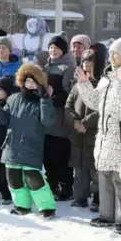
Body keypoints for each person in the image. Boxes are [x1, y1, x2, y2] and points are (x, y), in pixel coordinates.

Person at [73, 38, 121, 232]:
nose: (111, 56)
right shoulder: (107, 76)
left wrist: (119, 82)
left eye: (115, 53)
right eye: (110, 52)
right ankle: (106, 215)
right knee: (104, 177)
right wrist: (84, 84)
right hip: (105, 135)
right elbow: (95, 102)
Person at [0, 64, 57, 218]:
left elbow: (48, 121)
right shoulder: (13, 98)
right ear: (22, 81)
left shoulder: (42, 101)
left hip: (31, 145)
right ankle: (21, 205)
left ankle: (47, 207)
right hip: (12, 144)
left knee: (33, 178)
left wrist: (45, 99)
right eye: (28, 80)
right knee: (13, 178)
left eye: (34, 81)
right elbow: (4, 120)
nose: (30, 84)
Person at [68, 47, 104, 209]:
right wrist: (75, 121)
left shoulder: (102, 84)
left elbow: (102, 108)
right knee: (80, 167)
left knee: (95, 168)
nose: (86, 64)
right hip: (78, 133)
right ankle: (80, 196)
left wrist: (86, 123)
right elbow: (68, 105)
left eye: (90, 61)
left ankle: (98, 197)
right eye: (84, 61)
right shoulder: (77, 85)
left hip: (94, 132)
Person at [43, 35, 76, 201]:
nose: (53, 50)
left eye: (56, 48)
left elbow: (70, 92)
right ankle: (52, 184)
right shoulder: (46, 66)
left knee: (61, 154)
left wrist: (55, 98)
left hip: (60, 117)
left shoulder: (68, 67)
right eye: (50, 47)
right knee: (47, 154)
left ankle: (66, 186)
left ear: (63, 50)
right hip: (46, 116)